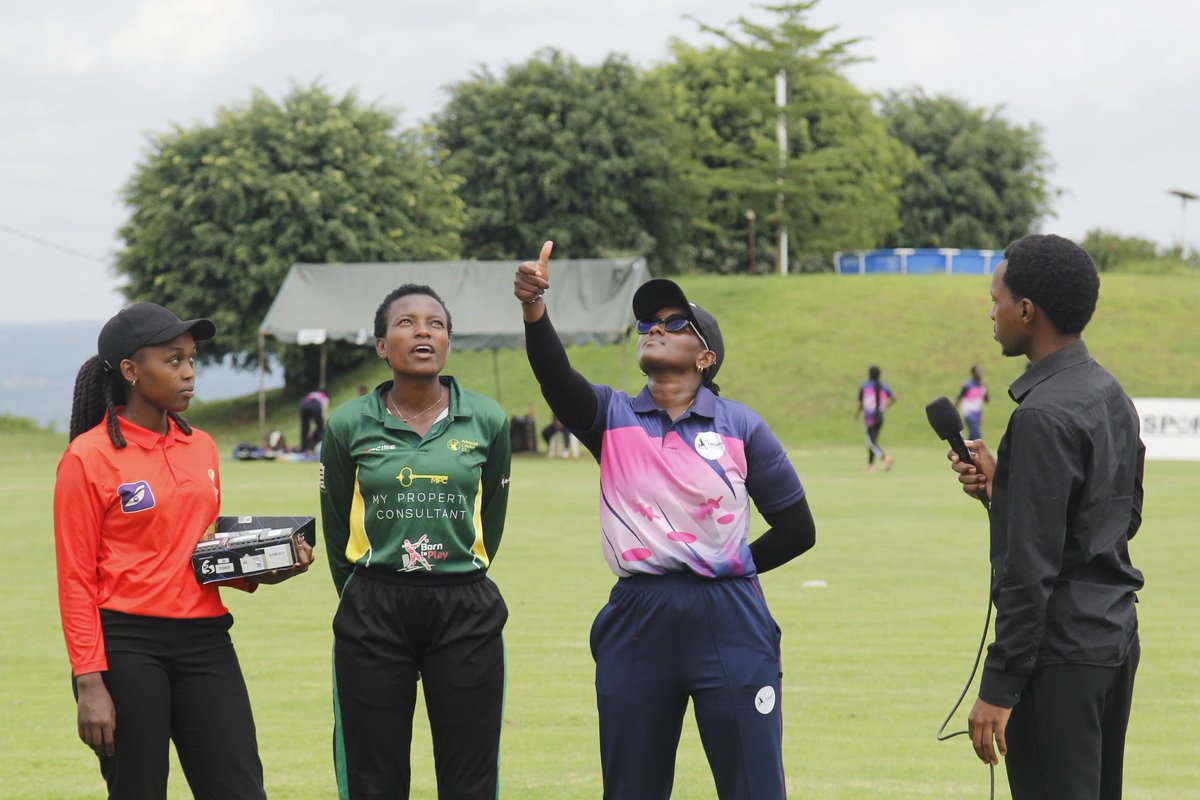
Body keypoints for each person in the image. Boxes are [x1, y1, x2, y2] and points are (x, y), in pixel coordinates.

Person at [514, 242, 816, 799]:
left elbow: (800, 531)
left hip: (729, 615)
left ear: (706, 355)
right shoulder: (611, 417)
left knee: (753, 785)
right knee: (632, 787)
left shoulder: (742, 426)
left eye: (674, 322)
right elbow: (555, 378)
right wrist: (535, 311)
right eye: (647, 322)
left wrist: (729, 565)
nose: (653, 327)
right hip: (638, 617)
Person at [53, 302, 313, 800]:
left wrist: (264, 568)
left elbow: (198, 554)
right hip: (126, 646)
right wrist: (89, 683)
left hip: (206, 641)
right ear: (130, 371)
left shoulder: (203, 447)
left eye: (191, 359)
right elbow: (75, 578)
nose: (189, 372)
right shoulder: (87, 457)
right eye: (173, 360)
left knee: (239, 789)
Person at [946, 234, 1144, 800]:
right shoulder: (1111, 394)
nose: (992, 310)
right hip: (1113, 639)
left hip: (1058, 659)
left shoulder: (1042, 417)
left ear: (1027, 311)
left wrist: (999, 688)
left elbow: (1030, 570)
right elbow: (1120, 517)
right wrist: (1008, 489)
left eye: (997, 298)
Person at [319, 284, 512, 799]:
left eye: (436, 323)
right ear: (382, 345)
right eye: (406, 323)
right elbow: (337, 526)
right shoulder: (346, 424)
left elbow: (490, 520)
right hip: (373, 606)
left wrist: (457, 570)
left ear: (449, 342)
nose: (423, 331)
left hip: (464, 606)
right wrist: (363, 591)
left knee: (469, 776)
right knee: (372, 775)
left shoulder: (487, 420)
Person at [856, 365, 896, 472]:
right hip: (880, 416)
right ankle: (870, 465)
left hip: (870, 417)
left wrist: (858, 413)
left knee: (871, 442)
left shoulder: (865, 387)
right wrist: (886, 406)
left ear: (869, 374)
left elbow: (860, 403)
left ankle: (885, 458)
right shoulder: (883, 386)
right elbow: (894, 397)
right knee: (873, 440)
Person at [957, 364, 990, 440]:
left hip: (977, 414)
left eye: (981, 371)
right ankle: (970, 449)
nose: (980, 373)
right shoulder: (967, 385)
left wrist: (985, 388)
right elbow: (959, 397)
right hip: (969, 412)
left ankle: (967, 450)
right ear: (973, 373)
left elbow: (987, 400)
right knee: (976, 434)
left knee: (973, 435)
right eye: (978, 371)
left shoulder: (982, 386)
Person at [298, 388, 330, 453]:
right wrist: (321, 422)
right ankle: (325, 449)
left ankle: (303, 450)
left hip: (303, 405)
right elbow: (324, 410)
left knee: (305, 430)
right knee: (320, 429)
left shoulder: (313, 393)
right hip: (314, 405)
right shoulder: (325, 397)